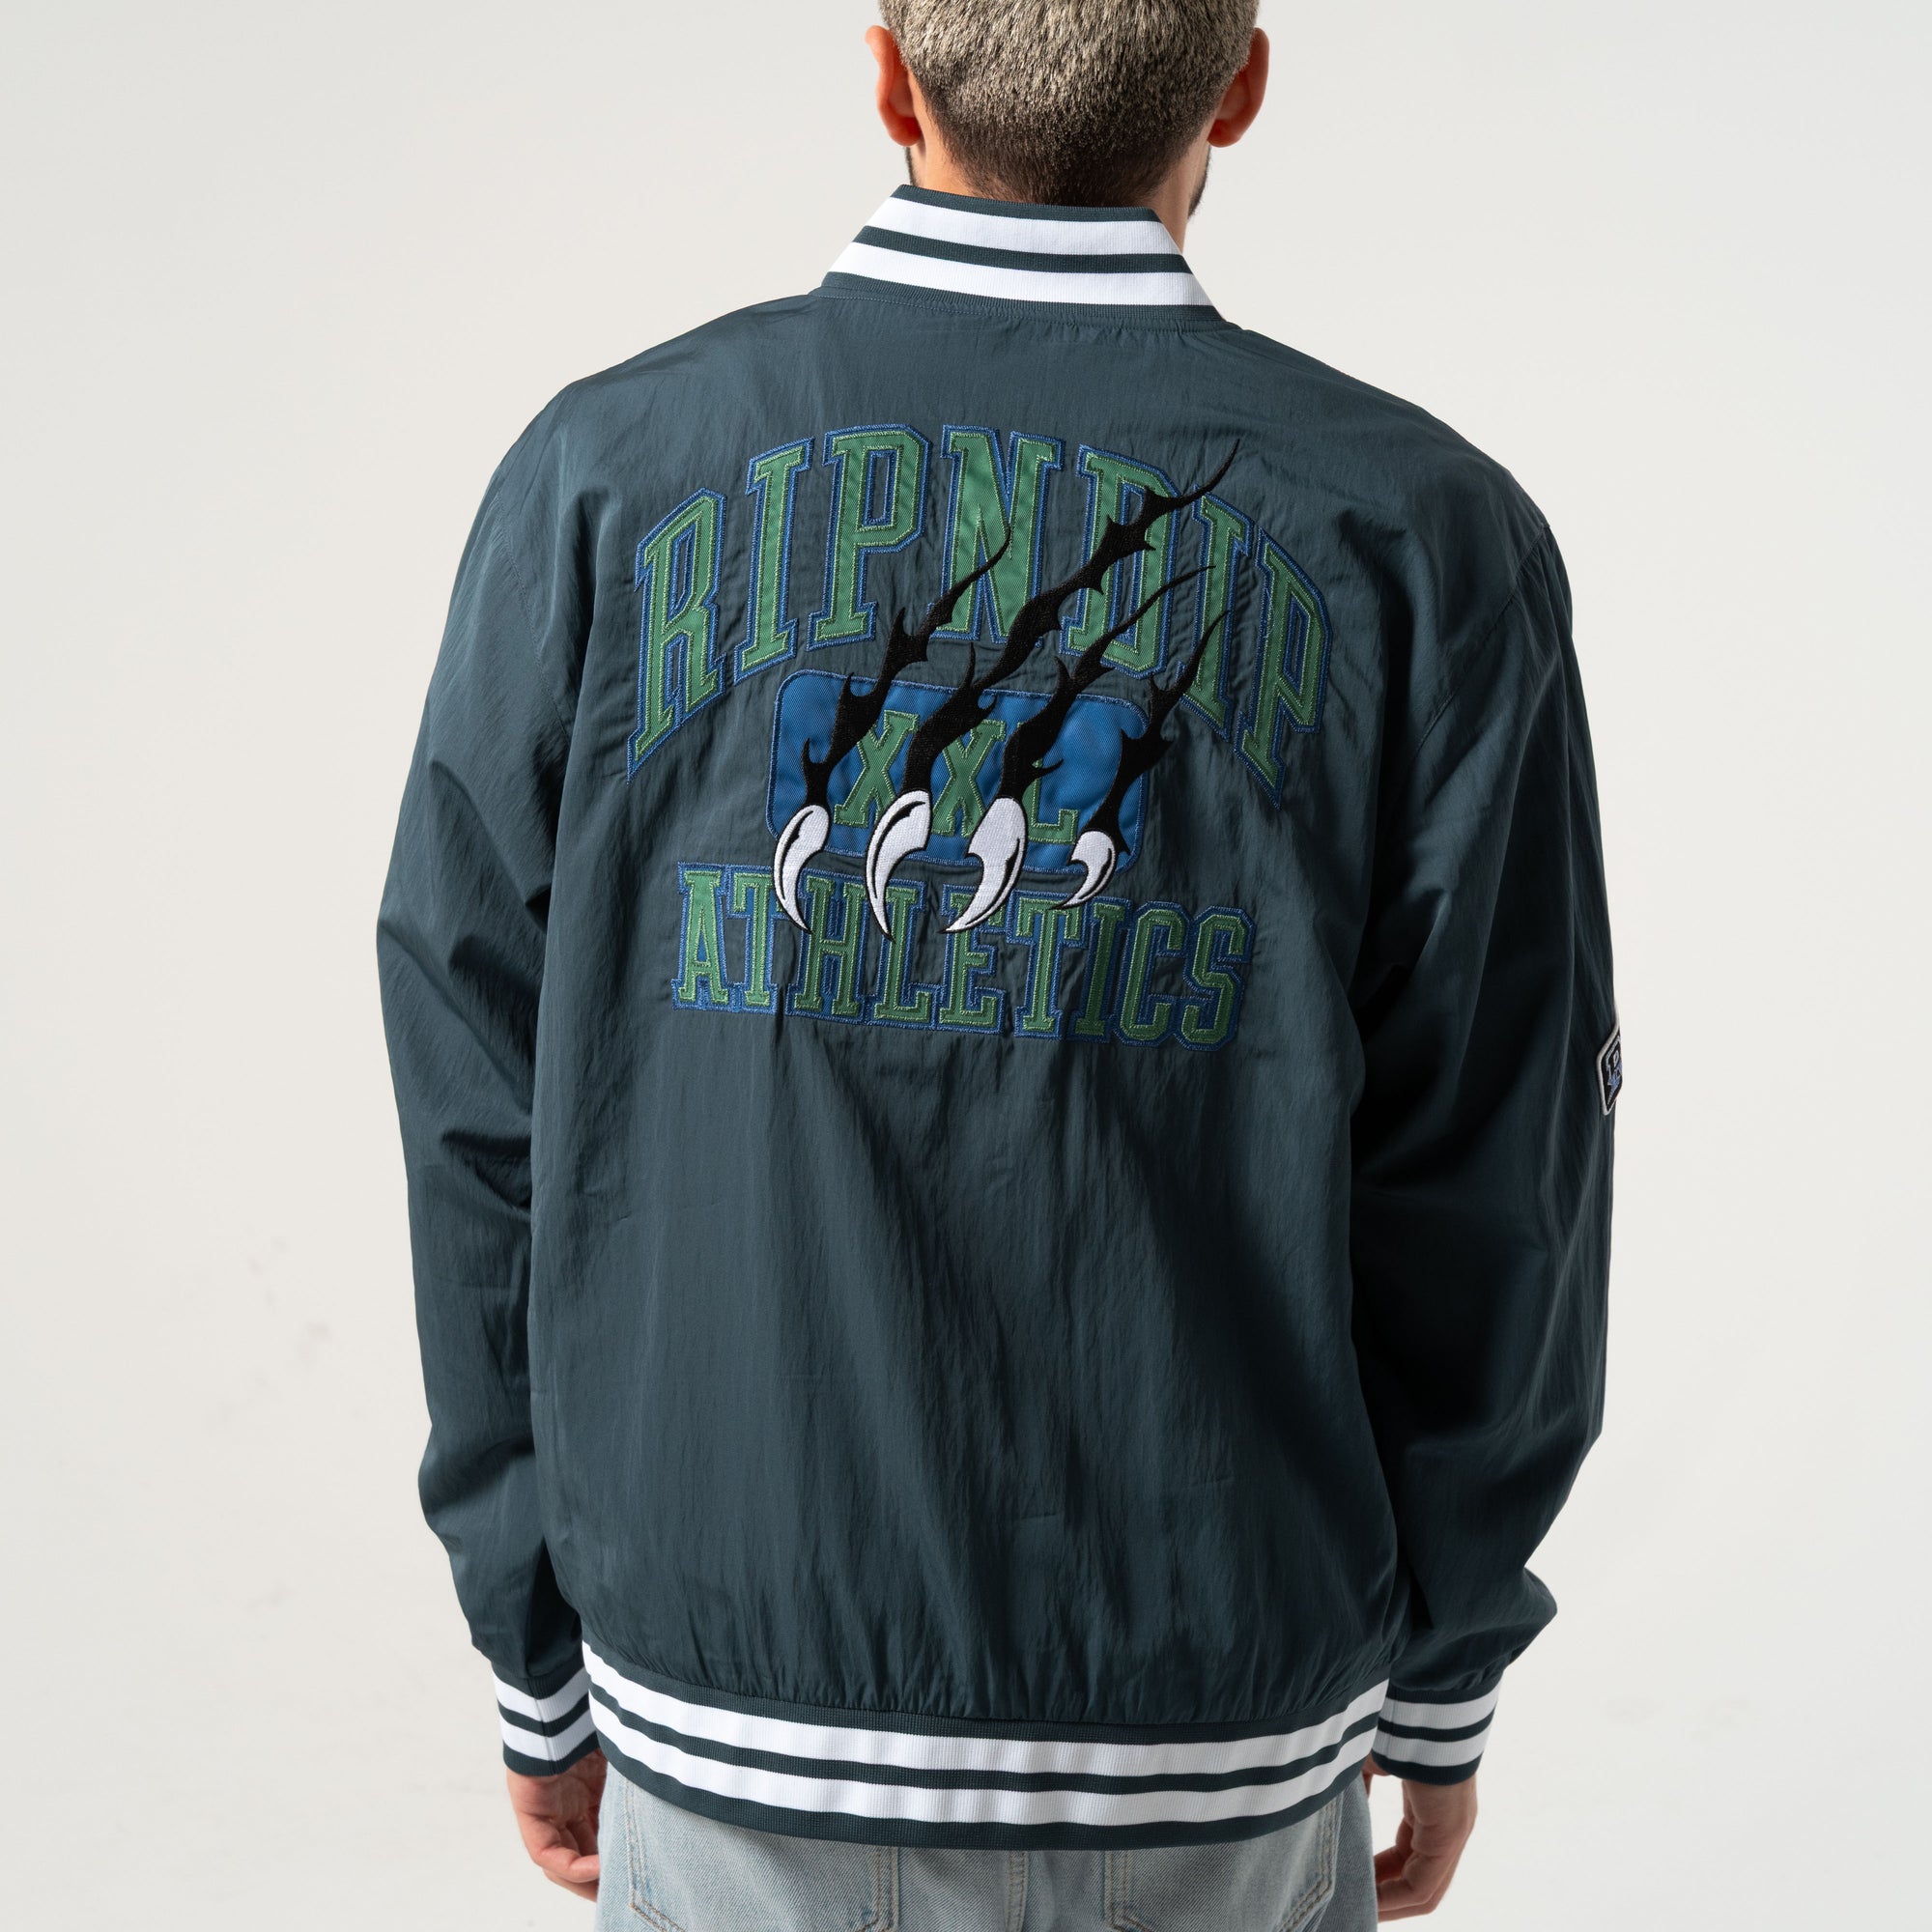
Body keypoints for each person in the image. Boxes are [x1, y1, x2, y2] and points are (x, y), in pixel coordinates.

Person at [377, 3, 1617, 1924]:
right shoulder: (1425, 535)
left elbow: (476, 1091)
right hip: (1211, 1736)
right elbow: (1501, 1156)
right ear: (1239, 88)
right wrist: (1444, 1671)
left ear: (889, 74)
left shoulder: (604, 479)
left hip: (733, 1712)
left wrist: (533, 1640)